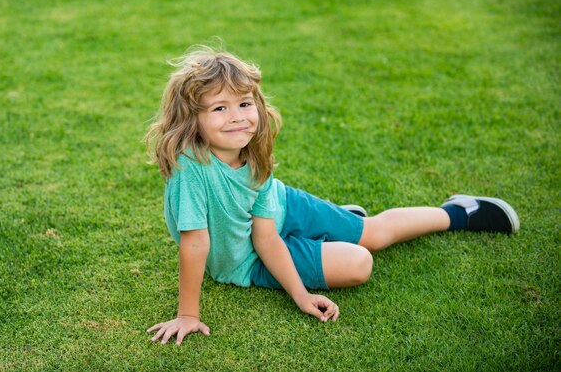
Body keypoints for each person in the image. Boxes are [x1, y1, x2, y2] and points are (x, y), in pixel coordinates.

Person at [145, 46, 519, 345]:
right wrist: (188, 315)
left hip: (281, 209)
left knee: (372, 233)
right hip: (247, 260)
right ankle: (329, 229)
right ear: (192, 118)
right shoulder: (190, 168)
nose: (238, 117)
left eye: (244, 104)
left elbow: (266, 232)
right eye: (220, 108)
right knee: (360, 263)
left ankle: (458, 212)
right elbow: (195, 244)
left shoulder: (254, 154)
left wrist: (298, 292)